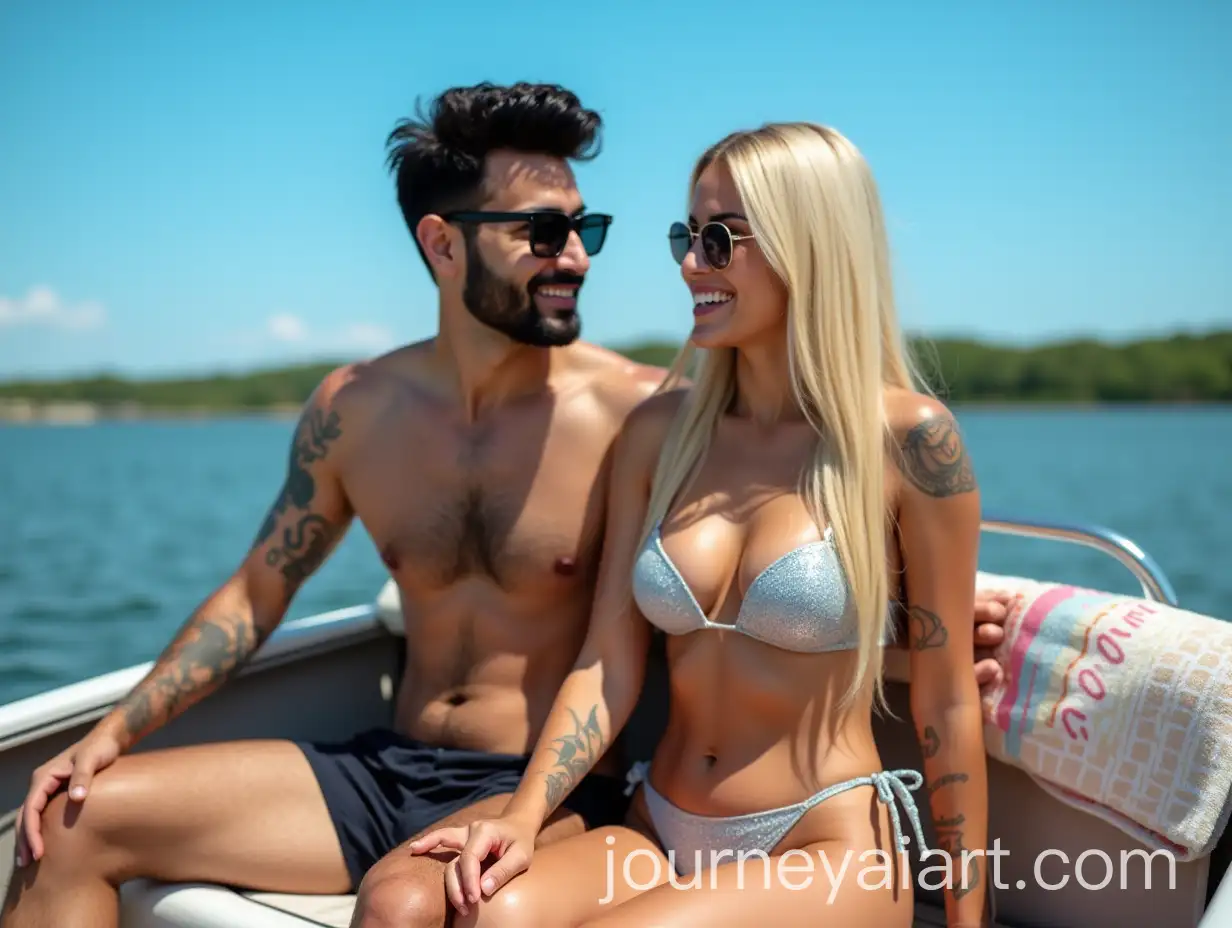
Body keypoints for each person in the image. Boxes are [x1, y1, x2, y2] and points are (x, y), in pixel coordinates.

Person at [2, 85, 1008, 928]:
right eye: (544, 231)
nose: (588, 256)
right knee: (72, 820)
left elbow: (924, 675)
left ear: (806, 246)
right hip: (500, 786)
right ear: (443, 246)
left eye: (712, 238)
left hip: (737, 810)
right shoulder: (389, 411)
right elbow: (257, 596)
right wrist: (113, 730)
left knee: (434, 909)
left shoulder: (687, 415)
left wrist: (911, 623)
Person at [409, 121, 990, 928]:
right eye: (687, 235)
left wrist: (968, 922)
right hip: (659, 819)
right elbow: (607, 662)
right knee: (485, 913)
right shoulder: (661, 433)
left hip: (822, 845)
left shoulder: (908, 441)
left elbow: (947, 703)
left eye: (720, 239)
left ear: (808, 246)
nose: (690, 264)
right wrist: (523, 813)